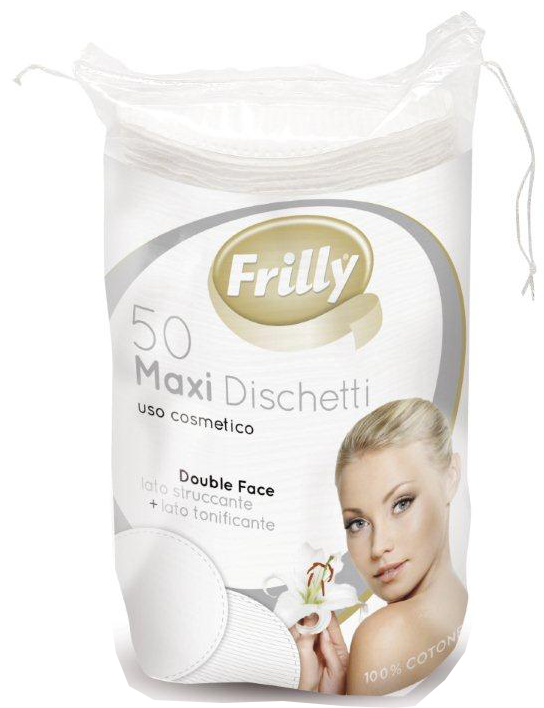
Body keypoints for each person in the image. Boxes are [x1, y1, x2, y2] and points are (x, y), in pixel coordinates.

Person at [291, 398, 467, 695]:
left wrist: (308, 693)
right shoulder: (466, 606)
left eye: (401, 504)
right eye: (357, 523)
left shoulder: (382, 637)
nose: (378, 547)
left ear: (450, 478)